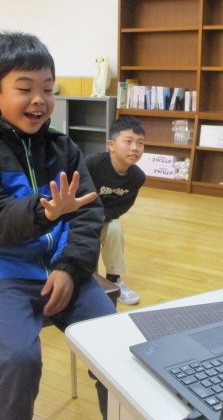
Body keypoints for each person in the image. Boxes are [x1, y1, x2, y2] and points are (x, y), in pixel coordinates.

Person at [0, 31, 116, 420]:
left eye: (48, 89)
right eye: (25, 89)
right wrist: (46, 213)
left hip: (60, 266)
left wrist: (70, 267)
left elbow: (89, 213)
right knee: (19, 359)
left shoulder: (63, 147)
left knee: (114, 346)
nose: (39, 100)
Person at [86, 116, 146, 305]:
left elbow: (122, 206)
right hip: (78, 217)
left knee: (114, 229)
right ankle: (87, 279)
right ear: (111, 145)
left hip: (102, 218)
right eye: (128, 142)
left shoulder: (137, 177)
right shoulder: (92, 164)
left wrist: (103, 216)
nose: (135, 148)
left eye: (140, 143)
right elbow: (77, 193)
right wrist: (90, 216)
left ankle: (114, 280)